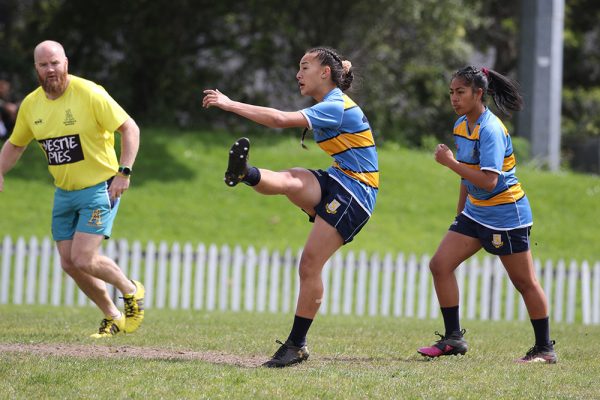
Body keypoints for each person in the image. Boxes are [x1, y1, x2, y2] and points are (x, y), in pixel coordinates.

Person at [202, 47, 379, 367]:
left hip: (357, 194)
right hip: (342, 180)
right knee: (293, 179)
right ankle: (245, 173)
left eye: (305, 66)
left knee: (309, 265)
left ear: (325, 72)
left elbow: (279, 119)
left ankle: (296, 345)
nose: (298, 74)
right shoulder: (330, 103)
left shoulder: (335, 105)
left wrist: (229, 104)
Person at [0, 40, 145, 338]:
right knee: (69, 263)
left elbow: (130, 128)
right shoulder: (31, 105)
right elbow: (15, 144)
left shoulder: (90, 93)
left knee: (84, 257)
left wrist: (124, 171)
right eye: (43, 65)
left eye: (55, 63)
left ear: (66, 62)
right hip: (64, 192)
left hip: (99, 188)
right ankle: (113, 316)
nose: (50, 69)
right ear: (36, 69)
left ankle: (131, 290)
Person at [417, 66, 557, 363]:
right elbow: (467, 176)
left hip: (507, 214)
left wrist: (449, 163)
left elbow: (489, 180)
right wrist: (460, 214)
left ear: (479, 93)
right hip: (475, 213)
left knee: (525, 282)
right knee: (440, 265)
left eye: (461, 92)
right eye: (452, 92)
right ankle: (453, 339)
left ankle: (544, 349)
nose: (454, 98)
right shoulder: (460, 125)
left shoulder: (491, 129)